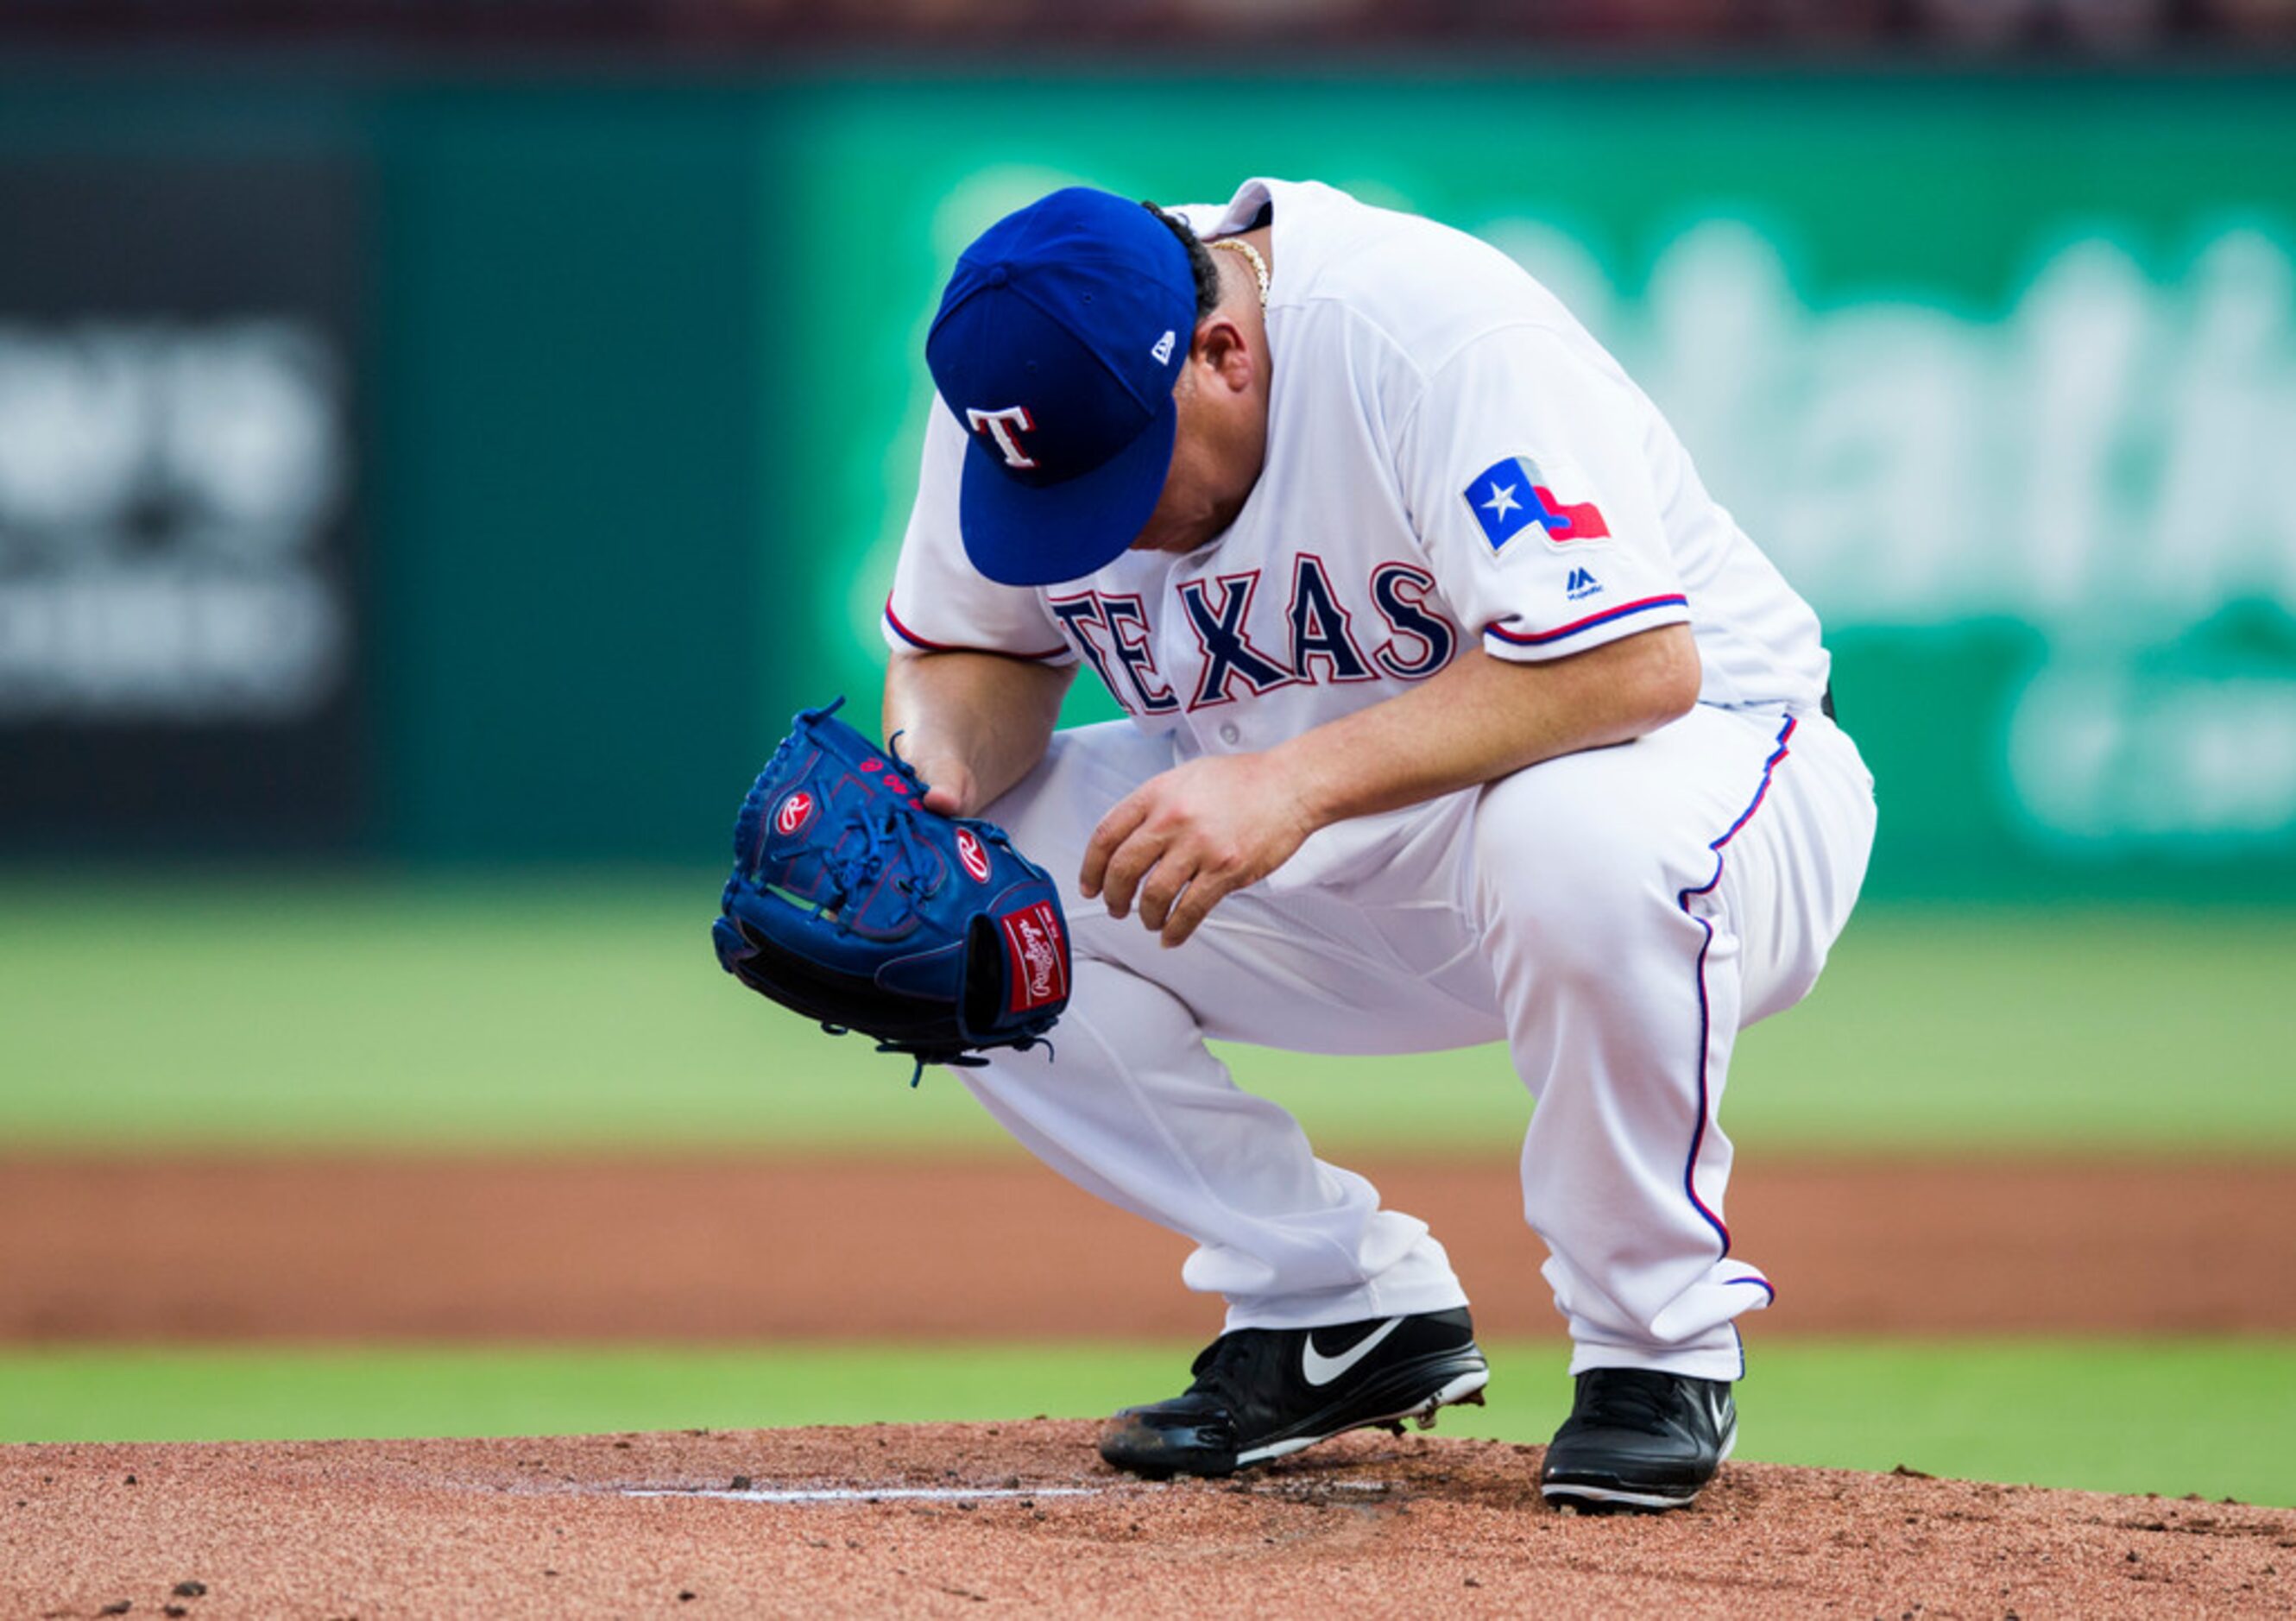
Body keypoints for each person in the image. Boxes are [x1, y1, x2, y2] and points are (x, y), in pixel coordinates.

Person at [880, 180, 1875, 1511]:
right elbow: (970, 650)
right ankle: (1332, 1307)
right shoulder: (1027, 384)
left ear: (1227, 355)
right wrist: (931, 779)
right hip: (1323, 828)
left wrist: (1290, 783)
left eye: (1122, 480)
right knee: (952, 903)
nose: (1098, 530)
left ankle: (1655, 1343)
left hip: (1701, 790)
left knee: (1568, 836)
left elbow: (1637, 664)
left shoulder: (1427, 336)